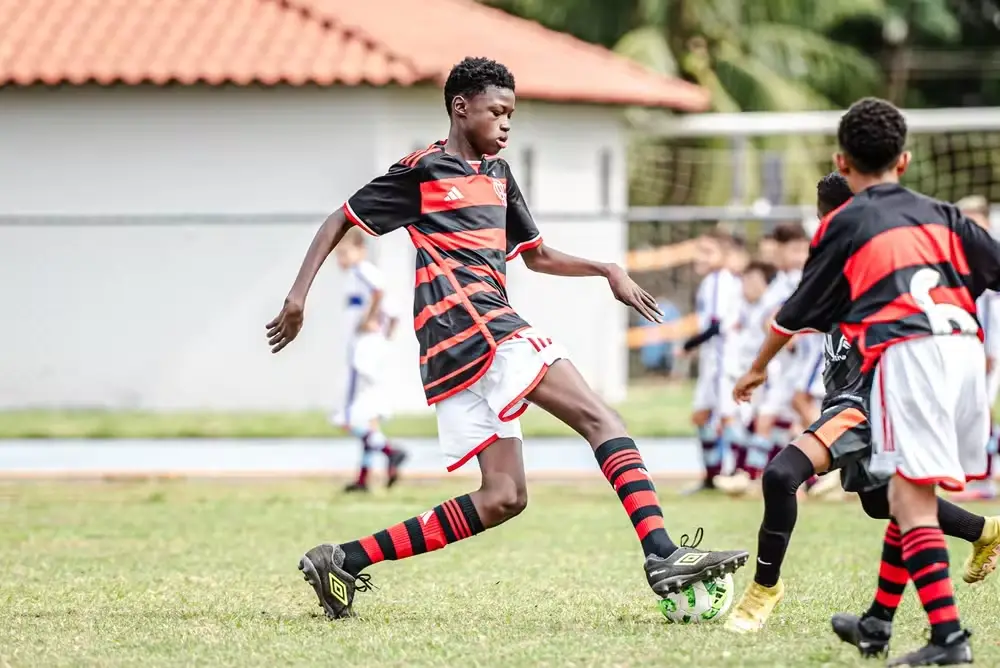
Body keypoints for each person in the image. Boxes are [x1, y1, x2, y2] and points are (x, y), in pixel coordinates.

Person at [265, 57, 749, 620]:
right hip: (479, 327)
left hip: (455, 350)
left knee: (503, 498)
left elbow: (537, 254)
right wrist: (299, 295)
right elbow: (340, 219)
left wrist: (606, 269)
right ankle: (662, 554)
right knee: (603, 419)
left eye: (511, 114)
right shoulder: (423, 172)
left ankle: (342, 559)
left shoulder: (498, 177)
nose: (506, 124)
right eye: (497, 111)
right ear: (460, 107)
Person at [734, 97, 1000, 665]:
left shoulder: (847, 223)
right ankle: (878, 623)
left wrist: (756, 367)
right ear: (903, 161)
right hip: (964, 353)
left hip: (908, 358)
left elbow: (792, 312)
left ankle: (949, 639)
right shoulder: (944, 215)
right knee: (901, 497)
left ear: (841, 160)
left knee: (907, 501)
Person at [330, 229, 408, 492]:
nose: (340, 259)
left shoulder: (362, 272)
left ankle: (388, 451)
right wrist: (385, 337)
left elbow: (378, 291)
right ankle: (365, 477)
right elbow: (394, 313)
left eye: (343, 253)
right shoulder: (361, 277)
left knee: (348, 417)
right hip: (373, 352)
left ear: (360, 250)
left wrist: (367, 321)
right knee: (370, 415)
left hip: (361, 354)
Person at [681, 229, 743, 492]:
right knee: (701, 416)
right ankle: (712, 476)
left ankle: (741, 472)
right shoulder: (711, 281)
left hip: (723, 361)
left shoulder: (721, 280)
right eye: (700, 250)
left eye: (709, 252)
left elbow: (717, 326)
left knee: (728, 416)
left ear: (724, 255)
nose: (701, 257)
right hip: (712, 361)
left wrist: (688, 345)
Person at [952, 195, 999, 502]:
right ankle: (974, 476)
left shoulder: (991, 260)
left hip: (988, 352)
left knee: (985, 410)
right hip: (968, 352)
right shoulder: (959, 263)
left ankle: (985, 479)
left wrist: (988, 353)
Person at [718, 260, 777, 485]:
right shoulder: (742, 306)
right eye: (745, 280)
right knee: (744, 422)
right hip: (743, 373)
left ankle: (751, 474)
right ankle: (745, 472)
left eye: (754, 281)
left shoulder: (770, 307)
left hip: (768, 375)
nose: (748, 286)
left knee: (768, 422)